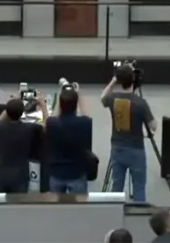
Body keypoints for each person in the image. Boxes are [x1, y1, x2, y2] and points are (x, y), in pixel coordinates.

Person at [101, 63, 155, 202]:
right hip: (136, 150)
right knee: (139, 187)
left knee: (116, 185)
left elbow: (103, 97)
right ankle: (139, 211)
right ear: (134, 79)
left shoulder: (112, 99)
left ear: (119, 81)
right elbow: (153, 126)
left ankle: (114, 211)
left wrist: (113, 80)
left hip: (117, 148)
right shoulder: (140, 103)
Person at [46, 85, 92, 194]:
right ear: (76, 105)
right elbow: (87, 117)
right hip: (77, 172)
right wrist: (79, 95)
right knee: (79, 204)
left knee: (56, 203)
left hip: (57, 173)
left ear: (60, 105)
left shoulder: (52, 123)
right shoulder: (84, 123)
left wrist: (60, 96)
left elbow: (52, 117)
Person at [0, 97, 42, 193]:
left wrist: (10, 105)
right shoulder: (28, 128)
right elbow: (46, 126)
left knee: (0, 200)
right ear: (22, 112)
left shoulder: (0, 127)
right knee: (19, 200)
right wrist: (42, 105)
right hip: (20, 174)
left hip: (2, 172)